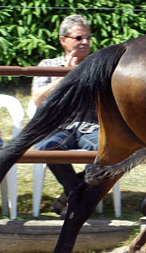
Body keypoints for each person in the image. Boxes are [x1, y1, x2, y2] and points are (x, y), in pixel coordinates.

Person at [32, 14, 97, 217]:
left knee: (108, 151)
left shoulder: (98, 64)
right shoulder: (47, 65)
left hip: (91, 126)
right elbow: (37, 99)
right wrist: (66, 75)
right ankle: (77, 194)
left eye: (87, 37)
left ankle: (74, 195)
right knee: (44, 148)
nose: (84, 42)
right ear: (63, 40)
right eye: (79, 38)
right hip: (59, 127)